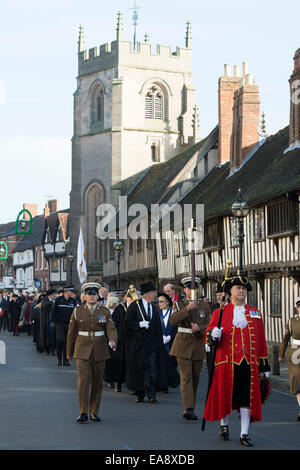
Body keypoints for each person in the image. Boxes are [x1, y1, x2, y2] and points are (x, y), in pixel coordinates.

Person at [203, 275, 270, 447]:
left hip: (248, 364)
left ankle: (244, 433)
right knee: (225, 395)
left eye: (244, 289)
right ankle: (224, 424)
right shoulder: (220, 312)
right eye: (238, 288)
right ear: (230, 292)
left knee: (246, 398)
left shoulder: (255, 313)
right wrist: (213, 335)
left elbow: (261, 340)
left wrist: (264, 366)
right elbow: (209, 338)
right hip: (226, 363)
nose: (242, 291)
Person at [66, 285, 117, 423]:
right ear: (85, 296)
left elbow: (110, 327)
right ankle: (83, 412)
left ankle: (94, 411)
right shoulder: (78, 311)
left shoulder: (104, 311)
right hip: (82, 349)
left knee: (97, 380)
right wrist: (68, 351)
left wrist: (112, 340)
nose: (92, 296)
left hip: (100, 348)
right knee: (84, 379)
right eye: (89, 294)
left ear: (98, 296)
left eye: (94, 294)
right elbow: (71, 333)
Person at [169, 276, 211, 420]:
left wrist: (200, 328)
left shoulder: (204, 306)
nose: (191, 291)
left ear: (198, 289)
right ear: (185, 289)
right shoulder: (179, 304)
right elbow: (173, 321)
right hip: (183, 344)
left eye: (194, 288)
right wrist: (187, 309)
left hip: (198, 344)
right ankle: (188, 408)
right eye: (188, 288)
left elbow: (209, 325)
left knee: (195, 377)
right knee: (186, 377)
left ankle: (190, 405)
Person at [124, 281, 168, 404]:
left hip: (152, 345)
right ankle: (140, 393)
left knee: (152, 369)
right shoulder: (134, 307)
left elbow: (158, 327)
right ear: (147, 294)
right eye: (154, 293)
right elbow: (126, 323)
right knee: (140, 370)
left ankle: (151, 393)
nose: (155, 296)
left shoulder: (154, 308)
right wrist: (139, 324)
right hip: (138, 345)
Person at [279, 296, 300, 422]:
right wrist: (281, 354)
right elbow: (285, 339)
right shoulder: (292, 321)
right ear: (297, 308)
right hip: (295, 354)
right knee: (297, 382)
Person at [157, 293, 180, 390]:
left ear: (167, 303)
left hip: (171, 341)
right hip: (159, 341)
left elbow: (176, 328)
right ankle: (162, 383)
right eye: (158, 301)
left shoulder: (173, 313)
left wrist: (170, 337)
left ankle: (171, 380)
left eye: (161, 301)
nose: (159, 303)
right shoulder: (156, 313)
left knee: (171, 362)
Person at [52, 286, 75, 366]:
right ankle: (59, 358)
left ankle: (65, 359)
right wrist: (54, 322)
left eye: (72, 291)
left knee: (67, 342)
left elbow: (74, 313)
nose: (71, 293)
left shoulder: (72, 301)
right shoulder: (58, 300)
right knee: (60, 340)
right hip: (60, 324)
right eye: (70, 291)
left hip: (69, 324)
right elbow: (54, 312)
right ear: (66, 291)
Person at [104, 296, 120, 389]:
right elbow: (101, 325)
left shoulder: (119, 313)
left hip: (116, 338)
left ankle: (115, 379)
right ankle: (109, 379)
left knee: (115, 360)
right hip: (106, 339)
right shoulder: (104, 312)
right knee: (108, 360)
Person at [40, 289, 57, 355]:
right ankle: (49, 349)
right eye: (54, 294)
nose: (55, 295)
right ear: (50, 295)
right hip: (47, 322)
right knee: (48, 336)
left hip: (54, 321)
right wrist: (54, 303)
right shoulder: (44, 300)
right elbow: (46, 304)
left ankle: (52, 349)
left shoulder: (54, 301)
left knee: (54, 336)